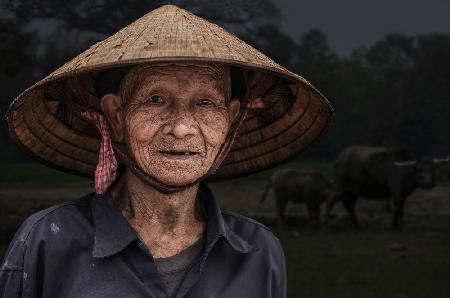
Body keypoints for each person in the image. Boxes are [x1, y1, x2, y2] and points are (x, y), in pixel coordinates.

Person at [1, 4, 333, 298]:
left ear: (230, 120)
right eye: (155, 99)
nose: (181, 128)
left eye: (205, 103)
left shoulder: (259, 251)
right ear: (117, 115)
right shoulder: (46, 241)